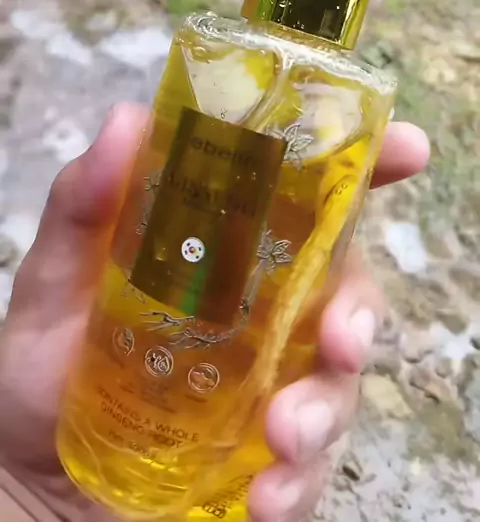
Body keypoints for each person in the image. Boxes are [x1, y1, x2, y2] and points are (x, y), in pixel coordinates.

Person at [0, 104, 429, 522]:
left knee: (309, 262)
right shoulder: (208, 64)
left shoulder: (350, 105)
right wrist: (16, 484)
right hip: (60, 452)